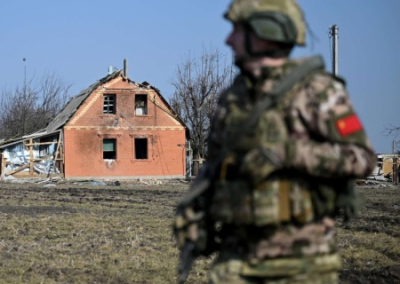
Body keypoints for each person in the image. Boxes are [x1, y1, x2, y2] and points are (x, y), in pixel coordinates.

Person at [174, 0, 376, 283]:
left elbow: (362, 158)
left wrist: (288, 152)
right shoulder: (233, 99)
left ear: (264, 33)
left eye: (237, 30)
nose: (228, 40)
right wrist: (193, 209)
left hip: (301, 261)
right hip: (236, 258)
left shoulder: (318, 92)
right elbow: (216, 165)